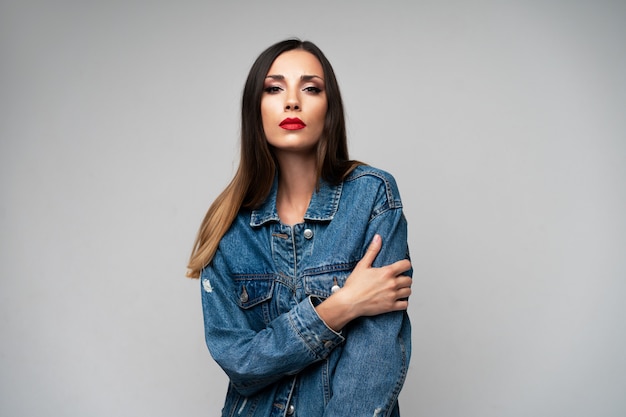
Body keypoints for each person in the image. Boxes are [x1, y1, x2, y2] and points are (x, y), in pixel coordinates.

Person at [187, 39, 413, 417]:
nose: (292, 101)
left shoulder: (373, 197)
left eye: (310, 88)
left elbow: (374, 361)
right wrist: (339, 308)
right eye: (274, 88)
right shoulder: (228, 226)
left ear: (330, 109)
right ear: (254, 110)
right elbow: (241, 365)